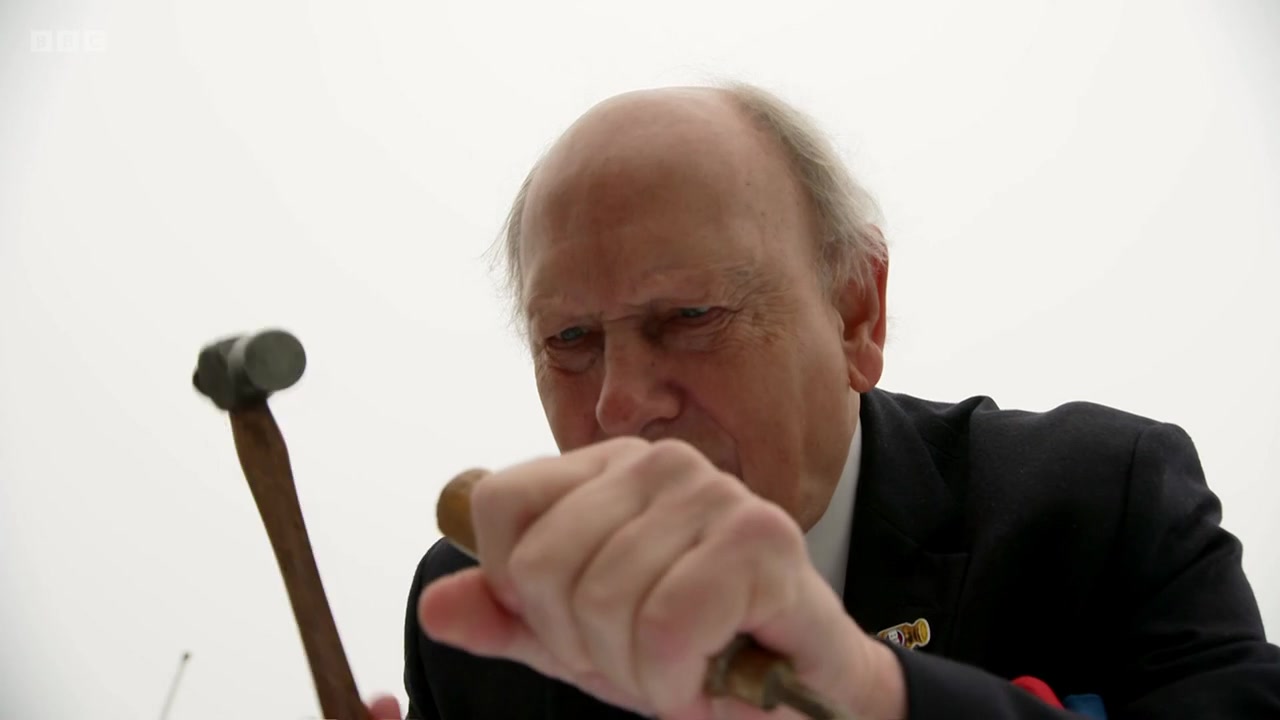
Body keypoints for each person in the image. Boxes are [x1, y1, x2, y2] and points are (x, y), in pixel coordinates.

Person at [371, 82, 1280, 719]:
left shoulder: (1100, 506)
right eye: (569, 339)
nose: (621, 404)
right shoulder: (477, 604)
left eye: (689, 317)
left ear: (855, 314)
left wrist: (870, 696)